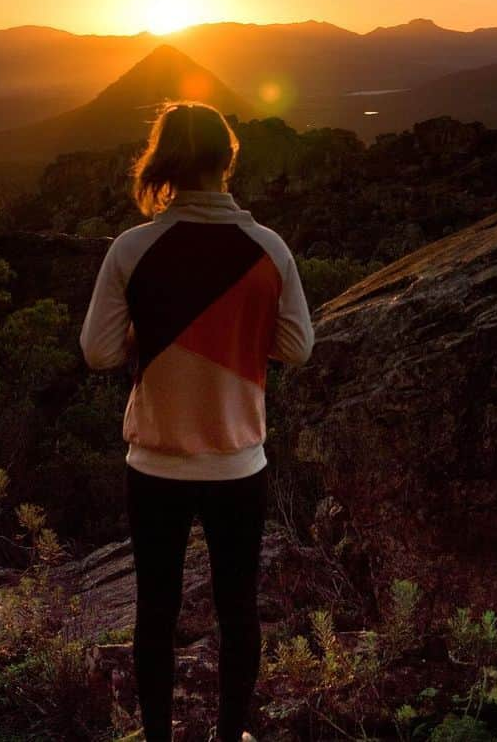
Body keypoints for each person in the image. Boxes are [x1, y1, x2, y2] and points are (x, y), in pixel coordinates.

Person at [79, 100, 315, 742]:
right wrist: (230, 334)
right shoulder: (268, 249)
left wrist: (158, 332)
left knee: (155, 609)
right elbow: (296, 347)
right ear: (227, 161)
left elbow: (98, 352)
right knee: (238, 610)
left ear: (166, 166)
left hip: (155, 465)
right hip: (239, 464)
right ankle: (231, 732)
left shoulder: (133, 248)